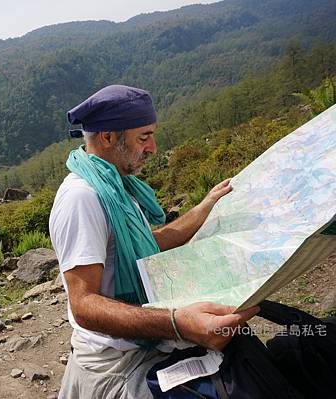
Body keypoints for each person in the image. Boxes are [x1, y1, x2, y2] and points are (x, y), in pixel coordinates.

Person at [49, 85, 259, 398]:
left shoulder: (115, 187)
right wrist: (178, 324)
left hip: (145, 341)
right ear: (108, 137)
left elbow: (150, 242)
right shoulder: (83, 198)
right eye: (144, 137)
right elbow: (84, 304)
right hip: (118, 362)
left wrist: (206, 206)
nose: (153, 148)